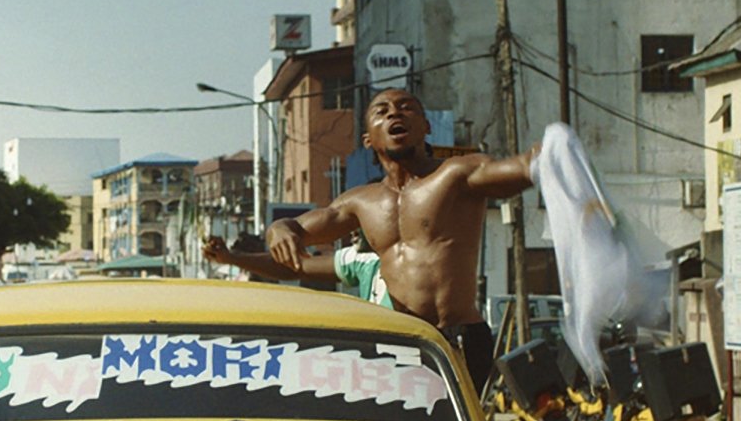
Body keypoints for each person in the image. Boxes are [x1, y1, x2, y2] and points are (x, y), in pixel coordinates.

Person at [264, 88, 536, 386]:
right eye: (382, 111)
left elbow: (516, 170)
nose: (394, 113)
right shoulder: (361, 201)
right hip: (398, 341)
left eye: (406, 108)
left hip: (457, 338)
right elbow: (298, 229)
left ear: (426, 127)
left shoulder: (456, 173)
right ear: (368, 139)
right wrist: (278, 229)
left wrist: (542, 158)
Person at [201, 234, 390, 309]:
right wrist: (230, 258)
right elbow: (297, 267)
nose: (353, 233)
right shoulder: (361, 259)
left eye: (363, 221)